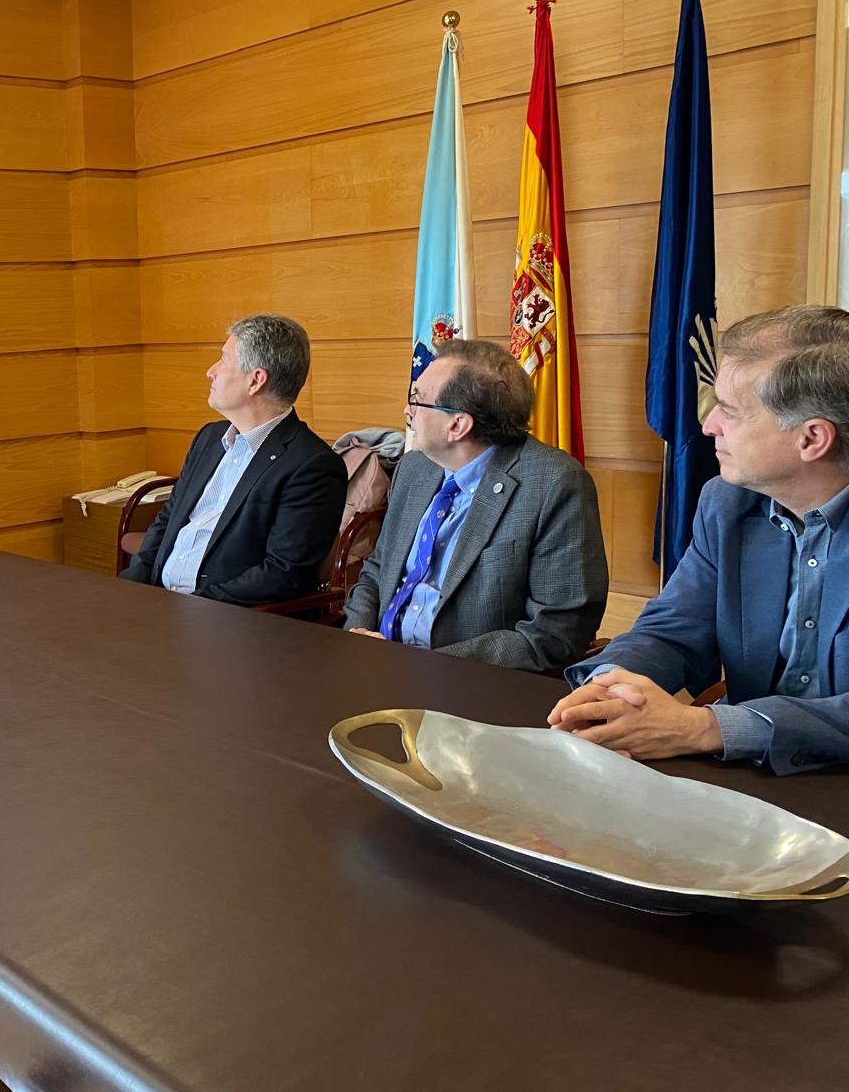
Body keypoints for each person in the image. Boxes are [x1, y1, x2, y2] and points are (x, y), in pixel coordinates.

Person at [552, 307, 849, 773]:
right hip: (749, 780)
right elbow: (672, 630)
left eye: (729, 410)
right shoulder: (727, 503)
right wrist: (611, 688)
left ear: (812, 439)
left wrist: (704, 727)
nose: (708, 425)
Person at [344, 338, 607, 671]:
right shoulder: (414, 468)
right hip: (375, 667)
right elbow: (377, 570)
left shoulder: (555, 484)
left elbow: (555, 634)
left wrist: (420, 665)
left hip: (469, 685)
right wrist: (357, 633)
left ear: (457, 425)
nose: (407, 410)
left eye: (417, 400)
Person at [118, 314, 346, 606]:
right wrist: (131, 588)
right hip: (160, 607)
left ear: (256, 380)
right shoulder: (209, 439)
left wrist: (190, 607)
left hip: (228, 621)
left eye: (223, 360)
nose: (210, 371)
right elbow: (167, 521)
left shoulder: (311, 465)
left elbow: (283, 573)